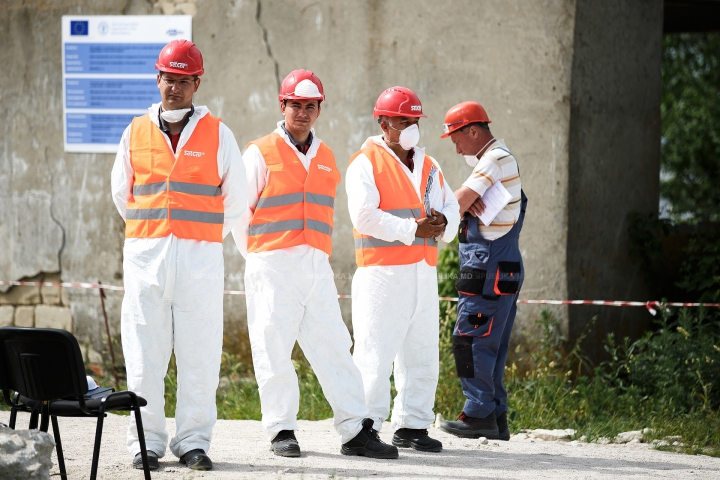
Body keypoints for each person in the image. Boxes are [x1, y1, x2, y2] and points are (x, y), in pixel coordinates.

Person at [231, 70, 398, 459]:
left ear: (319, 108)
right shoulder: (259, 151)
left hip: (316, 267)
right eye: (295, 105)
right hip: (270, 264)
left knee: (335, 346)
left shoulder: (326, 156)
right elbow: (240, 214)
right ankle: (281, 430)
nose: (302, 112)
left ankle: (356, 431)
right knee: (273, 348)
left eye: (310, 106)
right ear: (282, 105)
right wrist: (258, 257)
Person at [111, 39, 247, 471]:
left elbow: (237, 202)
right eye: (169, 78)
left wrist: (202, 239)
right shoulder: (134, 131)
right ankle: (146, 442)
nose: (175, 87)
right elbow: (122, 193)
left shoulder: (219, 134)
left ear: (196, 83)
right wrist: (154, 238)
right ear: (158, 79)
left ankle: (192, 441)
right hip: (146, 260)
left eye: (183, 81)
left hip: (199, 264)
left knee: (199, 356)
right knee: (144, 354)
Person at [346, 86, 460, 452]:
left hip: (422, 274)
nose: (411, 127)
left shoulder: (429, 165)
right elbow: (364, 215)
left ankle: (413, 425)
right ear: (383, 123)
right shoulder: (365, 161)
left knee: (422, 353)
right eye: (402, 120)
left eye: (414, 120)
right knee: (374, 355)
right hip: (382, 274)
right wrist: (412, 230)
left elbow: (452, 206)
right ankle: (363, 429)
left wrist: (444, 221)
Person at [437, 101, 527, 440]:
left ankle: (478, 415)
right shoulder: (502, 159)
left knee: (469, 339)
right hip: (502, 266)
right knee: (493, 343)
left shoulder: (493, 159)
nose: (457, 148)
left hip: (486, 268)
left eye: (457, 139)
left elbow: (457, 201)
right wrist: (461, 203)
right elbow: (464, 200)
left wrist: (454, 207)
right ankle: (496, 415)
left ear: (473, 131)